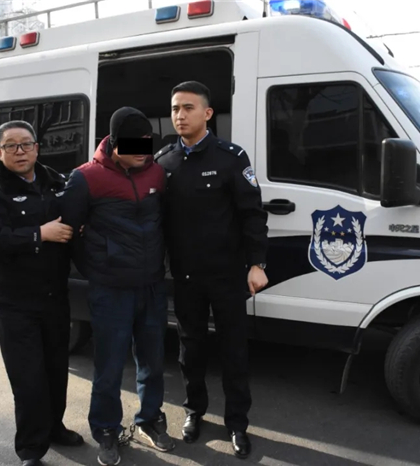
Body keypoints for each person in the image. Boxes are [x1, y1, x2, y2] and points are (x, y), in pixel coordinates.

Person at [155, 81, 269, 459]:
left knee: (234, 352)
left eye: (188, 108)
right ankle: (194, 411)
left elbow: (252, 214)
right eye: (175, 108)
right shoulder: (164, 161)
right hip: (185, 277)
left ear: (207, 113)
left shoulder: (230, 157)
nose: (180, 115)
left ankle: (237, 423)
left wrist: (257, 263)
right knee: (191, 351)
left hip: (227, 275)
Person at [62, 107, 175, 466]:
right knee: (109, 366)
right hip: (110, 290)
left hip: (152, 286)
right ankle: (106, 430)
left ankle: (150, 419)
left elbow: (166, 221)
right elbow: (69, 232)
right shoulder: (86, 178)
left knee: (152, 361)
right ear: (113, 143)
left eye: (146, 142)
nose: (143, 151)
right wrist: (97, 268)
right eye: (133, 144)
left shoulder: (157, 172)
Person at [0, 120, 84, 466]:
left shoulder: (56, 182)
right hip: (16, 301)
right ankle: (31, 449)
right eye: (11, 145)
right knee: (28, 378)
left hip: (54, 295)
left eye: (26, 144)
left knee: (55, 370)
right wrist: (39, 234)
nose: (19, 151)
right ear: (0, 151)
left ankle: (54, 427)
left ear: (37, 147)